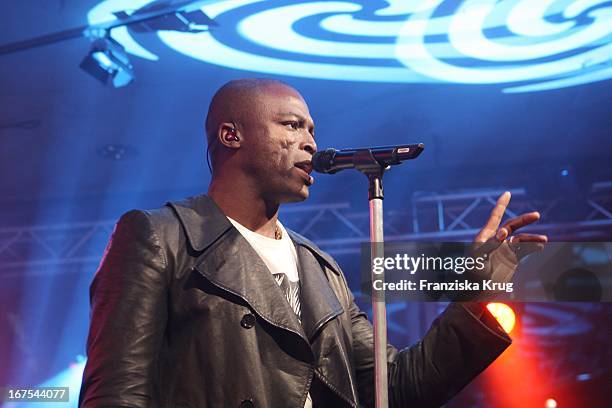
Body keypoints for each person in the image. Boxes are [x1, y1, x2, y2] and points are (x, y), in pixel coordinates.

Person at [78, 78, 547, 407]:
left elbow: (397, 390)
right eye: (291, 125)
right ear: (231, 135)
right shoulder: (161, 236)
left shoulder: (321, 269)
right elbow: (118, 393)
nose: (310, 142)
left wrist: (472, 295)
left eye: (312, 131)